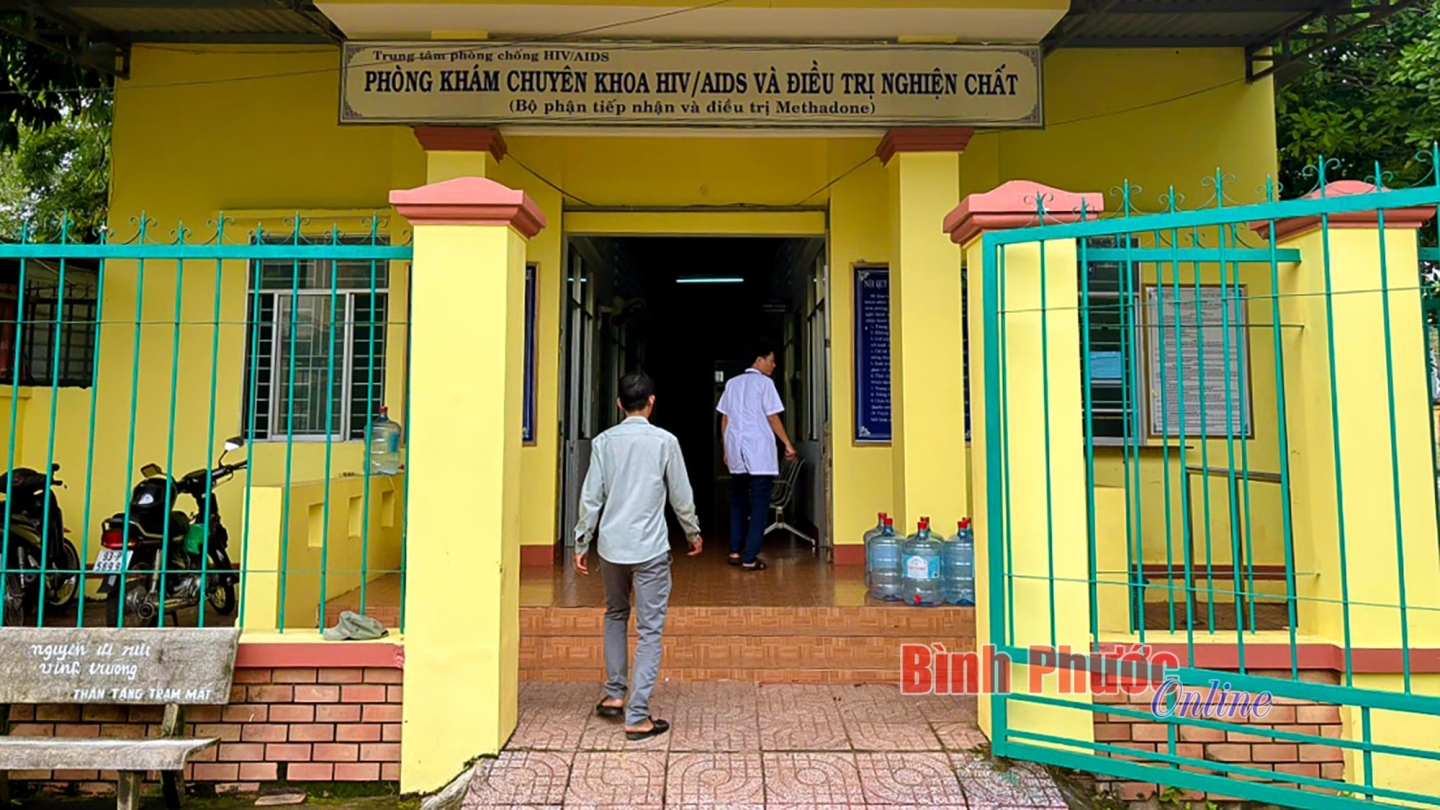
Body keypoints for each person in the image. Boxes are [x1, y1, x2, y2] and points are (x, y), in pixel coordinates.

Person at [573, 372, 703, 741]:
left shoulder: (604, 442)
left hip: (612, 549)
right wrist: (692, 531)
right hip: (650, 550)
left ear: (619, 404)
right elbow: (681, 495)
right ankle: (638, 715)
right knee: (649, 631)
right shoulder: (665, 442)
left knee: (615, 613)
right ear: (651, 402)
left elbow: (591, 497)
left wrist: (582, 542)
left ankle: (615, 694)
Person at [717, 340, 796, 572]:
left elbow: (724, 418)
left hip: (736, 449)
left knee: (738, 500)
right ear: (759, 360)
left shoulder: (732, 383)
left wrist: (726, 449)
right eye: (771, 360)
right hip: (758, 450)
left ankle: (735, 551)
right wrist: (787, 443)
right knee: (760, 503)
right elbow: (772, 417)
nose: (774, 365)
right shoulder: (765, 384)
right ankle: (750, 557)